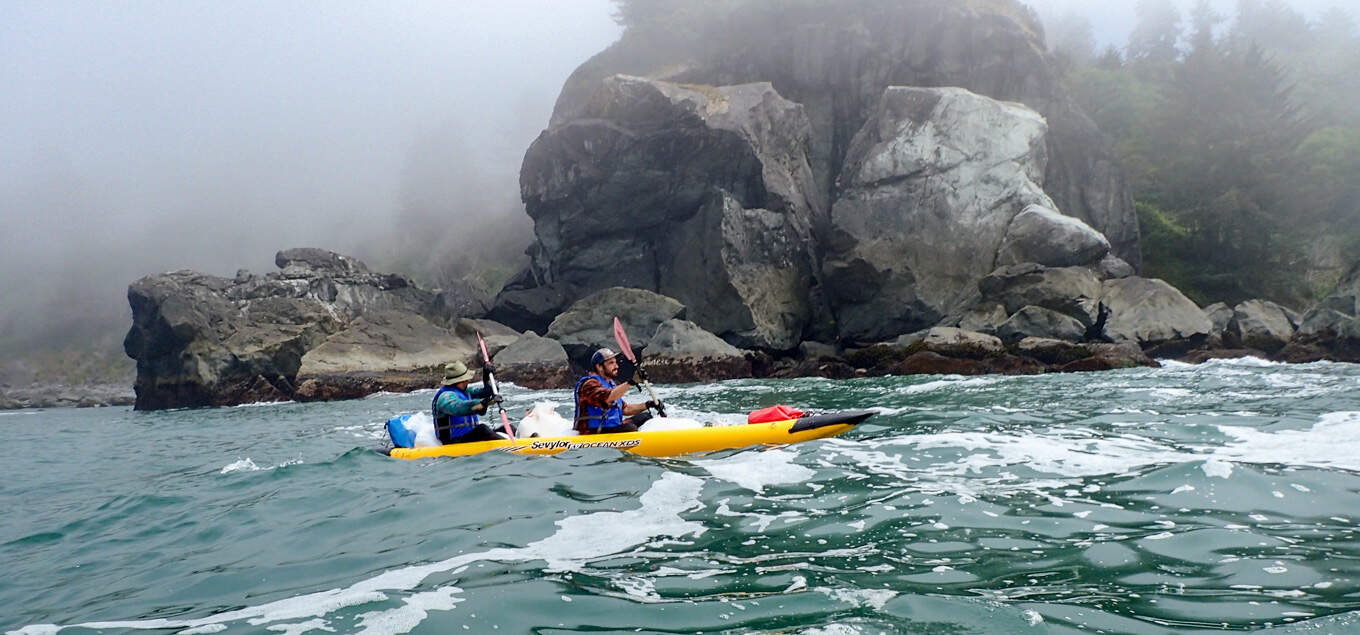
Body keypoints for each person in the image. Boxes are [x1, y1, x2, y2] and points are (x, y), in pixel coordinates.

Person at [573, 347, 662, 434]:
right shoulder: (589, 384)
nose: (616, 366)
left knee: (646, 416)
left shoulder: (610, 384)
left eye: (616, 362)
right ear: (599, 367)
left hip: (610, 428)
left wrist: (648, 405)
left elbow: (625, 409)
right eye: (611, 363)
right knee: (630, 428)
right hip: (593, 431)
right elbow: (607, 398)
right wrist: (631, 382)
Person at [432, 360, 504, 444]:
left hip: (469, 436)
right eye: (466, 379)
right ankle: (511, 446)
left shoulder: (466, 392)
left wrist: (487, 376)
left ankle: (516, 443)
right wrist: (484, 402)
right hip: (453, 441)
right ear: (459, 381)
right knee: (482, 429)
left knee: (506, 428)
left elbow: (489, 392)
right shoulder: (445, 397)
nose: (468, 381)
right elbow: (458, 408)